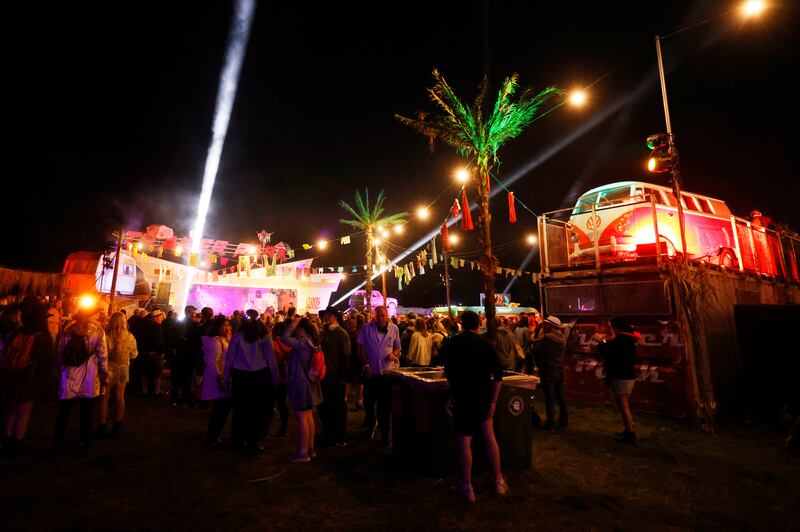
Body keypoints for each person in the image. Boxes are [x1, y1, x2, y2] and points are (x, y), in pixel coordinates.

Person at [440, 310, 508, 502]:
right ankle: (498, 480)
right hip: (483, 397)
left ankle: (467, 486)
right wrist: (493, 401)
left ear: (461, 324)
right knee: (489, 436)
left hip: (462, 397)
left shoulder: (452, 344)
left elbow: (445, 367)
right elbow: (498, 375)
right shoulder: (486, 345)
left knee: (464, 442)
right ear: (478, 325)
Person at [1, 296, 53, 454]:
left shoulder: (17, 333)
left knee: (13, 409)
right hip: (30, 379)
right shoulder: (43, 338)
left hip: (13, 375)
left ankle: (6, 439)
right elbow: (46, 364)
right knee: (24, 412)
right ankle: (18, 442)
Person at [54, 305, 108, 454]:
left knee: (64, 412)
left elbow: (60, 351)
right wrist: (104, 375)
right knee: (86, 413)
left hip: (69, 375)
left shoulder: (69, 330)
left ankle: (58, 443)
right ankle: (83, 443)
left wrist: (59, 369)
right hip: (89, 377)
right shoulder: (98, 331)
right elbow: (103, 356)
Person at [223, 309, 278, 454]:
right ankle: (252, 440)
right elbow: (271, 358)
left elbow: (229, 358)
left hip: (240, 376)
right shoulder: (263, 335)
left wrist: (226, 377)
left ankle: (238, 440)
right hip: (259, 375)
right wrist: (275, 377)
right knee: (256, 409)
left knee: (240, 409)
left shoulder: (238, 335)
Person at [357, 305, 401, 446]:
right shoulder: (366, 328)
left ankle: (385, 435)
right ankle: (370, 426)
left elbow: (397, 347)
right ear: (374, 316)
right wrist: (366, 365)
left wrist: (394, 354)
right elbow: (361, 348)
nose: (381, 318)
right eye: (378, 315)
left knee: (385, 407)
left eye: (383, 315)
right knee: (369, 404)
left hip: (387, 374)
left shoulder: (394, 329)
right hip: (371, 374)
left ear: (387, 315)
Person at [281, 316, 324, 462]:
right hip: (310, 384)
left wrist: (293, 323)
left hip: (301, 383)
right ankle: (310, 449)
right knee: (308, 416)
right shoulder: (313, 342)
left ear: (302, 330)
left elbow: (284, 338)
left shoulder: (302, 343)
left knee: (301, 418)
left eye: (298, 329)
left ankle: (302, 453)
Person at [597, 317, 641, 444]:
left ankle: (630, 434)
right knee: (625, 405)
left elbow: (606, 354)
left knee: (623, 406)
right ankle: (628, 429)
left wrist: (601, 342)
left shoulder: (618, 342)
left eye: (611, 327)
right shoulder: (629, 340)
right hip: (628, 375)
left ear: (616, 327)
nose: (610, 329)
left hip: (620, 376)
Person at [97, 312, 137, 439]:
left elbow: (101, 352)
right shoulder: (129, 336)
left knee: (104, 397)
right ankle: (117, 427)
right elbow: (134, 354)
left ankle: (102, 426)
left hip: (109, 368)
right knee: (120, 397)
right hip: (123, 368)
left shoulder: (106, 335)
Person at [318, 307, 351, 447]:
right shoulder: (323, 332)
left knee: (338, 408)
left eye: (329, 315)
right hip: (324, 376)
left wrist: (344, 378)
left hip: (336, 377)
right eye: (325, 315)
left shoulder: (342, 334)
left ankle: (340, 436)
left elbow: (346, 357)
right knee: (324, 407)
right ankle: (328, 432)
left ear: (335, 317)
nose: (326, 317)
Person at [532, 315, 568, 431]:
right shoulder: (563, 337)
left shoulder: (546, 339)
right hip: (559, 369)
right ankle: (564, 420)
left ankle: (550, 423)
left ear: (550, 326)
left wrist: (540, 365)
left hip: (548, 370)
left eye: (546, 324)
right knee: (561, 396)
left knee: (549, 397)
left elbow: (536, 351)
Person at [201, 317, 232, 449]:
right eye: (224, 325)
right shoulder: (216, 342)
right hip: (219, 379)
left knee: (221, 409)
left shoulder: (221, 340)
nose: (227, 328)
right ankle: (212, 438)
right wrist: (220, 378)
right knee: (220, 410)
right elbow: (212, 361)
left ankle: (214, 436)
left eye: (228, 325)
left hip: (222, 377)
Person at [137, 309, 166, 396]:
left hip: (144, 353)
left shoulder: (144, 326)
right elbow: (159, 342)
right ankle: (156, 391)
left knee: (144, 373)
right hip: (155, 354)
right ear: (156, 317)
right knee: (157, 373)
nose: (162, 318)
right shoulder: (158, 327)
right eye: (161, 317)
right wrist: (161, 352)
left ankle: (144, 390)